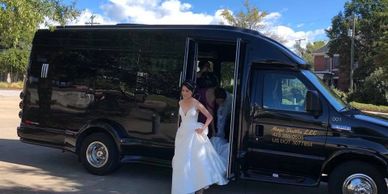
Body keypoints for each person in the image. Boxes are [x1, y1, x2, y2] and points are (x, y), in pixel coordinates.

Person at [172, 81, 228, 194]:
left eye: (187, 91)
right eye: (183, 90)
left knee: (197, 161)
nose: (184, 93)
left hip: (193, 134)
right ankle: (183, 187)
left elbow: (209, 116)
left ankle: (199, 188)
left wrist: (203, 128)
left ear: (192, 91)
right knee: (181, 161)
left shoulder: (196, 103)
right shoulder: (180, 102)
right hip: (182, 133)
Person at [196, 61, 219, 137]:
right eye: (205, 66)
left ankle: (211, 131)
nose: (207, 68)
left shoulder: (213, 76)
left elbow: (216, 84)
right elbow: (195, 77)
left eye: (208, 66)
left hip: (208, 94)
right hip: (201, 95)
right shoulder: (199, 75)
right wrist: (202, 71)